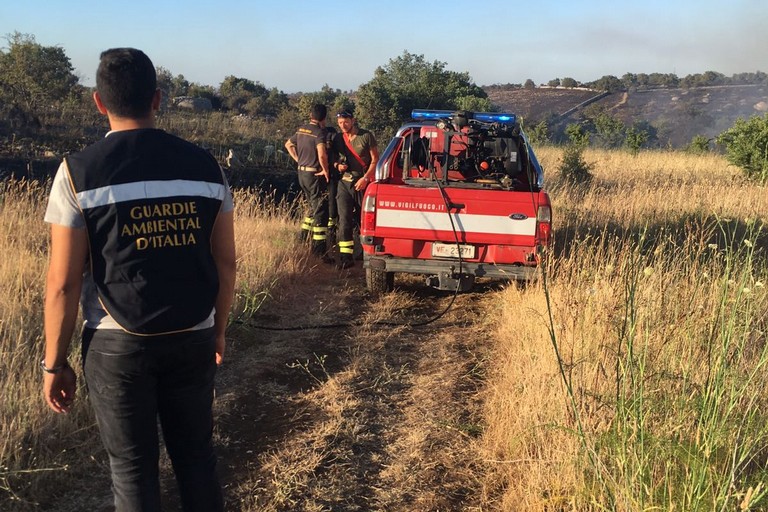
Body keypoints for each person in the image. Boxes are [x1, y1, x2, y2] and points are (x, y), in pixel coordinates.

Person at [42, 48, 236, 512]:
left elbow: (63, 284)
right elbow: (226, 263)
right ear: (158, 98)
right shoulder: (206, 168)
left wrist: (55, 363)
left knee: (132, 470)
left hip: (115, 345)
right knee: (196, 459)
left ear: (98, 102)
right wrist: (219, 330)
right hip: (194, 335)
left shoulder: (77, 171)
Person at [284, 104, 333, 263]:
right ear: (324, 118)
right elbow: (322, 154)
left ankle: (303, 236)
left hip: (302, 173)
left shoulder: (301, 129)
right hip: (313, 174)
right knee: (320, 210)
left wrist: (298, 160)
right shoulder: (319, 133)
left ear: (310, 114)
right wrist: (325, 170)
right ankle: (319, 249)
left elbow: (288, 144)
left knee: (312, 206)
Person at [332, 110, 379, 269]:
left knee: (363, 220)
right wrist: (337, 165)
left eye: (345, 122)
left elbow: (375, 160)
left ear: (353, 120)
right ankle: (346, 257)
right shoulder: (338, 138)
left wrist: (365, 179)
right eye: (339, 123)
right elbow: (332, 158)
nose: (343, 126)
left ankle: (365, 253)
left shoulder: (366, 136)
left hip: (362, 182)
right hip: (344, 182)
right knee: (344, 219)